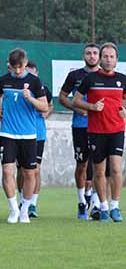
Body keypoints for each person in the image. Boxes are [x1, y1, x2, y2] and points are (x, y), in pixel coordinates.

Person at [0, 48, 48, 224]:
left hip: (29, 135)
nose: (17, 71)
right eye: (14, 67)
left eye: (20, 67)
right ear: (9, 64)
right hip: (8, 133)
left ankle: (25, 208)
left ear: (25, 63)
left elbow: (44, 107)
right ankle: (14, 209)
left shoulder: (34, 82)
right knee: (7, 171)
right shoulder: (3, 80)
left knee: (29, 173)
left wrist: (30, 98)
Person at [74, 42, 125, 223]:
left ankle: (115, 207)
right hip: (96, 131)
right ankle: (102, 207)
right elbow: (76, 100)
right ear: (101, 59)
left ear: (116, 60)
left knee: (117, 169)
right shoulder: (91, 79)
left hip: (117, 130)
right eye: (105, 56)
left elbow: (124, 101)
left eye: (111, 57)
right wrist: (92, 107)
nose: (108, 59)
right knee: (98, 171)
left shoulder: (122, 79)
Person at [59, 43, 102, 220]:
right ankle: (81, 202)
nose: (91, 56)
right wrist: (76, 108)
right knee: (82, 165)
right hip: (80, 126)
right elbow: (62, 97)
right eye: (88, 53)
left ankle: (99, 205)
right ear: (83, 56)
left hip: (100, 127)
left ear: (99, 56)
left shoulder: (105, 76)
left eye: (94, 53)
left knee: (100, 166)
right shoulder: (75, 75)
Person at [21, 61, 53, 218]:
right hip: (21, 132)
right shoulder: (19, 89)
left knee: (35, 170)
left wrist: (47, 112)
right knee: (21, 170)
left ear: (37, 74)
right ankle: (23, 198)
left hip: (38, 134)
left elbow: (50, 105)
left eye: (33, 73)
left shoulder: (42, 89)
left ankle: (32, 203)